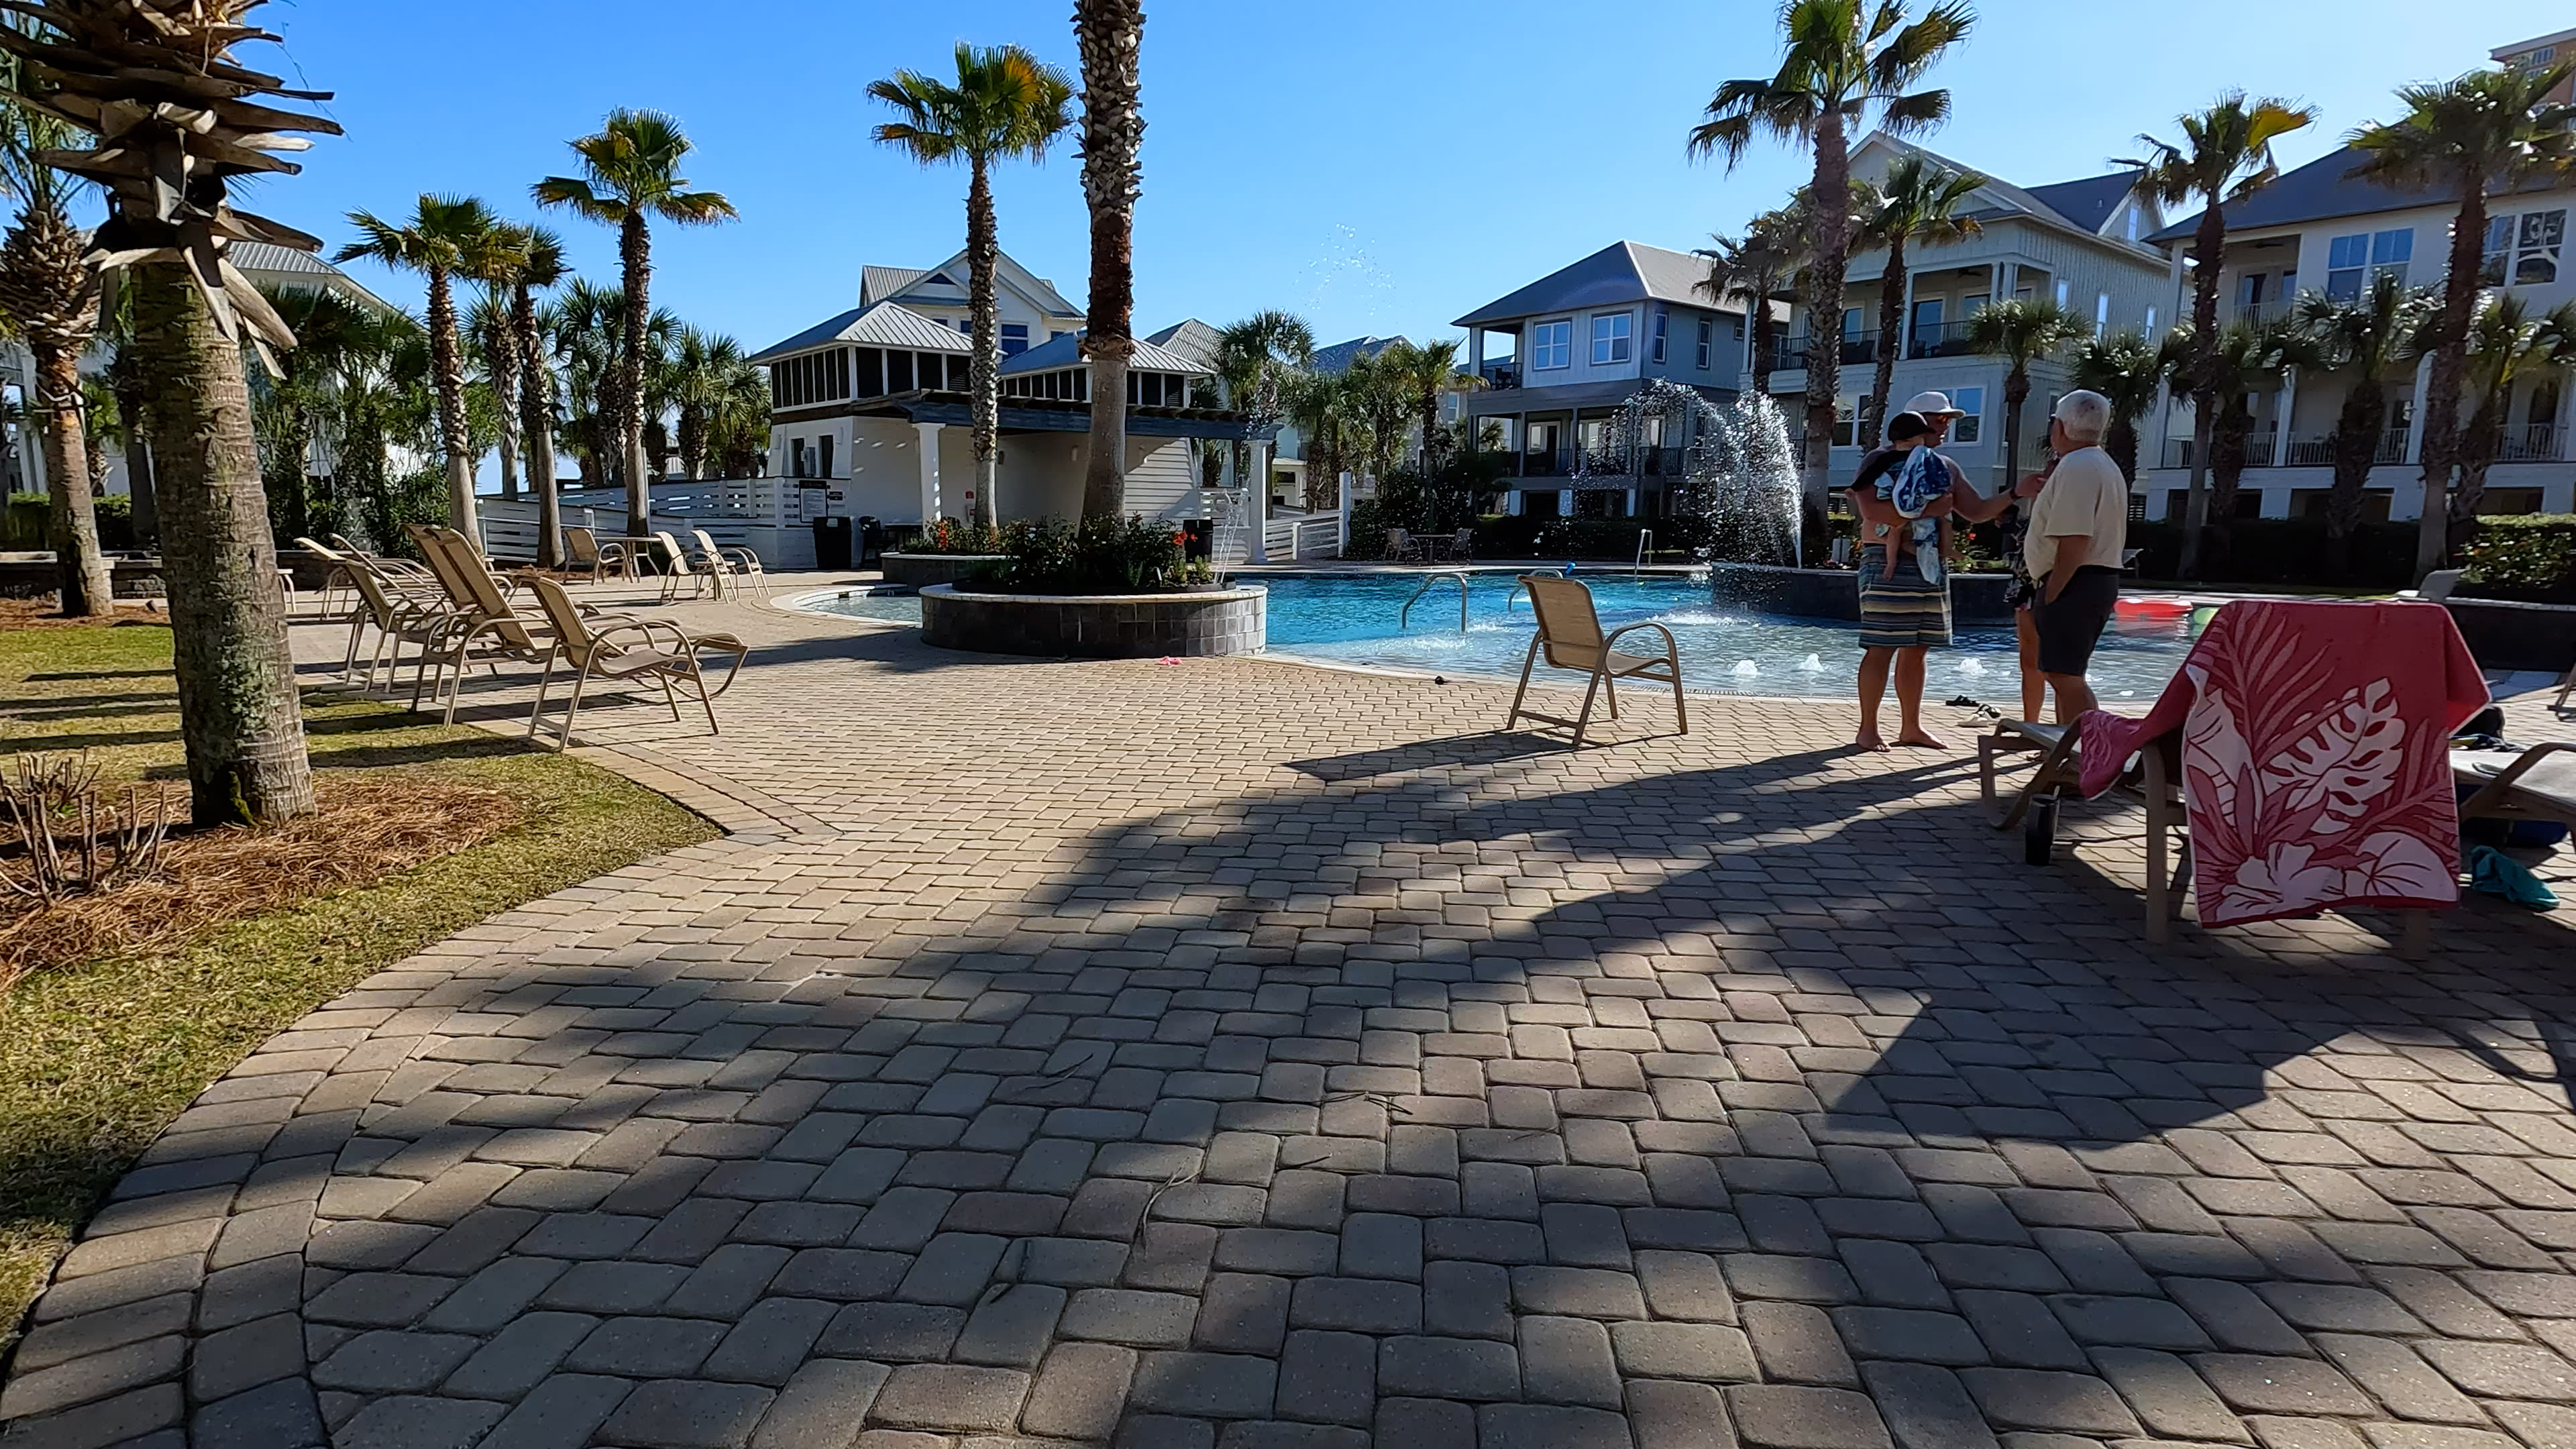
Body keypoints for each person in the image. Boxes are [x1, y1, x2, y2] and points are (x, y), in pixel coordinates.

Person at [1845, 395, 2018, 751]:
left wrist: (2016, 493)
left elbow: (1978, 511)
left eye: (1947, 420)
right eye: (1938, 420)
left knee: (1919, 648)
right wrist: (1929, 509)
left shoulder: (1945, 467)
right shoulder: (1880, 459)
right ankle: (1868, 729)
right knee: (1881, 647)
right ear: (1917, 423)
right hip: (1886, 560)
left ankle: (1911, 727)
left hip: (1929, 564)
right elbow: (1872, 511)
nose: (1944, 426)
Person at [2023, 390, 2129, 722]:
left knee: (2064, 677)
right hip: (2088, 580)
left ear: (2059, 427)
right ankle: (2072, 751)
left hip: (2077, 581)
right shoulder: (2100, 464)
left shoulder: (2077, 466)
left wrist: (2052, 592)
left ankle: (2085, 755)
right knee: (2065, 675)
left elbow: (2074, 539)